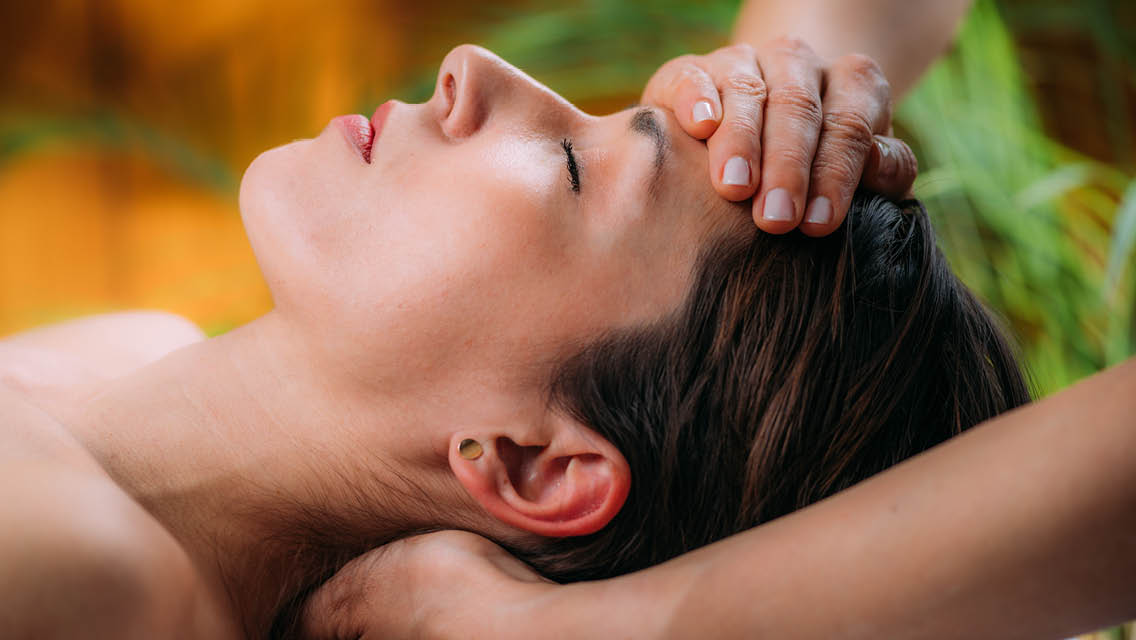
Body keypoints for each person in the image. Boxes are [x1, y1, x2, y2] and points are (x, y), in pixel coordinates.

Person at [0, 2, 1059, 640]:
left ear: (533, 464)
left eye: (567, 170)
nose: (471, 71)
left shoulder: (87, 573)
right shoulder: (134, 348)